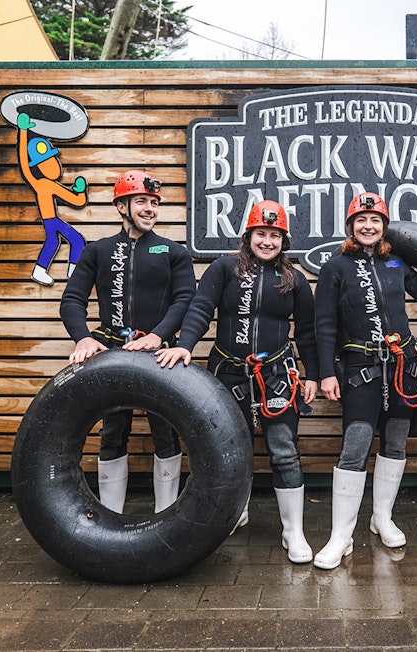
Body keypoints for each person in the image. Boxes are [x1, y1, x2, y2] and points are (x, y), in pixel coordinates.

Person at [155, 200, 319, 564]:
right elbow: (199, 308)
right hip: (227, 373)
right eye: (261, 233)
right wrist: (184, 347)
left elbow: (307, 332)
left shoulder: (295, 279)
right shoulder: (223, 268)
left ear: (284, 240)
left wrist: (314, 374)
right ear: (249, 236)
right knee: (230, 447)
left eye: (274, 235)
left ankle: (293, 532)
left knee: (283, 449)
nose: (267, 241)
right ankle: (235, 511)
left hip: (277, 375)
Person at [312, 192, 417, 570]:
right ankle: (341, 535)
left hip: (403, 367)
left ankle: (381, 517)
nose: (368, 226)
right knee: (355, 446)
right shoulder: (335, 267)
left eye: (375, 220)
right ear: (351, 226)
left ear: (384, 226)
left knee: (397, 441)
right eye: (361, 220)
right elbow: (324, 326)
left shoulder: (396, 263)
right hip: (359, 370)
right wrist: (324, 373)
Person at [60, 170, 196, 514]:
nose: (150, 208)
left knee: (165, 431)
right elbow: (71, 300)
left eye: (154, 202)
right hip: (112, 351)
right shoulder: (98, 251)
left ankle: (166, 515)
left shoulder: (174, 252)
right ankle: (111, 516)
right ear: (122, 206)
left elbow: (185, 300)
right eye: (142, 201)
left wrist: (157, 335)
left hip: (158, 353)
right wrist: (84, 338)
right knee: (112, 430)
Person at [15, 111, 88, 286]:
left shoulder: (48, 184)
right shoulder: (40, 183)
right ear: (39, 166)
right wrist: (22, 132)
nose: (55, 163)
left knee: (54, 241)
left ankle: (40, 270)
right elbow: (24, 165)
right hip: (51, 219)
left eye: (54, 158)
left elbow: (76, 201)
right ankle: (72, 271)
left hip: (50, 220)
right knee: (76, 239)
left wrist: (80, 191)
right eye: (49, 160)